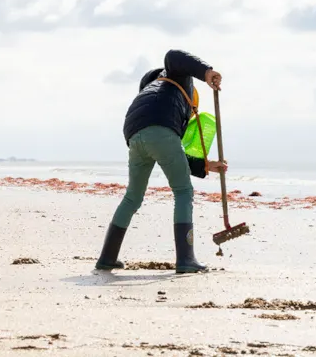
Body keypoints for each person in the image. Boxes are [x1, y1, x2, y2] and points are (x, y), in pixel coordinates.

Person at [94, 49, 226, 274]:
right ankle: (186, 259)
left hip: (135, 135)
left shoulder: (152, 94)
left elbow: (167, 151)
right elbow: (173, 55)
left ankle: (107, 257)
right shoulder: (179, 77)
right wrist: (206, 71)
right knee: (183, 191)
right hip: (160, 132)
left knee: (132, 197)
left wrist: (206, 165)